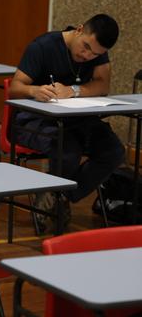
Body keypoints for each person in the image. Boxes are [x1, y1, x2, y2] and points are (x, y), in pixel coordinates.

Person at [9, 13, 124, 232]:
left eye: (95, 54)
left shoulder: (97, 53)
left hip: (77, 120)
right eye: (86, 47)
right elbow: (15, 88)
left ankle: (57, 193)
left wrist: (74, 91)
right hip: (34, 120)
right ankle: (56, 194)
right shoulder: (42, 46)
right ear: (80, 29)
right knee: (68, 149)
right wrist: (34, 90)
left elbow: (103, 86)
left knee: (114, 151)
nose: (87, 55)